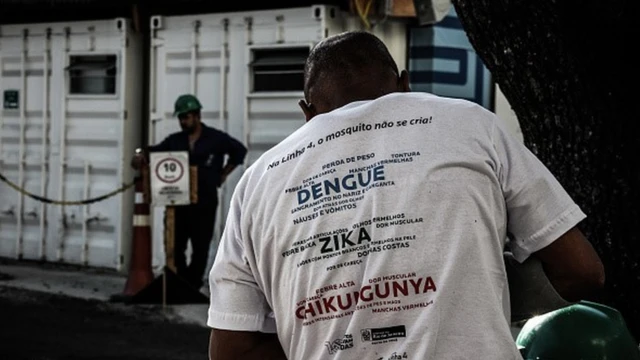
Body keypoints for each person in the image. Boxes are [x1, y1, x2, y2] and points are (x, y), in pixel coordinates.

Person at [206, 31, 605, 359]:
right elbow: (582, 271)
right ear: (404, 84)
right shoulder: (472, 124)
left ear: (307, 113)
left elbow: (230, 351)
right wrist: (471, 294)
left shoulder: (258, 182)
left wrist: (328, 331)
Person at [131, 94, 247, 290]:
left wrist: (223, 174)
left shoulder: (215, 138)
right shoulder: (175, 141)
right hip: (179, 202)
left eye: (186, 117)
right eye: (181, 118)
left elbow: (239, 151)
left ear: (197, 115)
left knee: (201, 245)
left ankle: (193, 284)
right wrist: (140, 153)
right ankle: (181, 282)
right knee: (177, 245)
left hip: (205, 200)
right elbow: (154, 151)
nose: (183, 121)